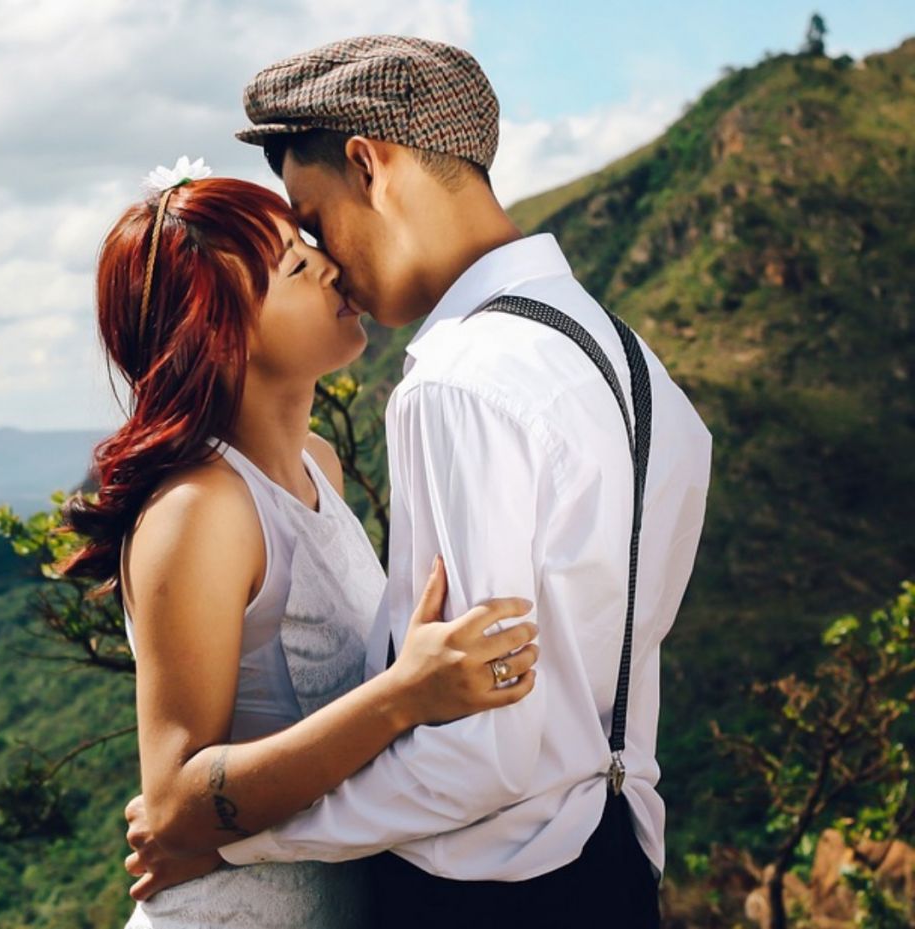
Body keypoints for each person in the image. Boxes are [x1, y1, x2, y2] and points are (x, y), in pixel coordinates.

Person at [126, 35, 713, 928]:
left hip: (486, 889)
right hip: (615, 853)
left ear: (370, 166)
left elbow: (479, 754)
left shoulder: (456, 383)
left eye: (313, 220)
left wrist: (235, 838)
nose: (327, 258)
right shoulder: (630, 363)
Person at [59, 165, 540, 929]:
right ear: (220, 332)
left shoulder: (321, 464)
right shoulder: (202, 508)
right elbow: (174, 802)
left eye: (309, 245)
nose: (329, 266)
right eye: (293, 265)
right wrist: (404, 695)